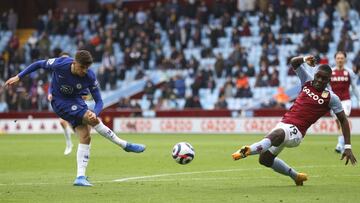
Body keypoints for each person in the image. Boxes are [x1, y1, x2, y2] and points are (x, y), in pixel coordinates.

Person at [4, 50, 146, 187]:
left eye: (87, 67)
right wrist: (19, 76)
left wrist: (95, 112)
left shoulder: (89, 76)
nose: (84, 70)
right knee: (92, 121)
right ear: (74, 62)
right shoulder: (60, 64)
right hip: (59, 102)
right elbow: (38, 64)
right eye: (82, 67)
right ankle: (124, 145)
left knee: (86, 136)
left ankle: (80, 177)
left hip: (76, 101)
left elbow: (99, 101)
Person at [231, 55, 357, 186]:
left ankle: (247, 150)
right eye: (318, 76)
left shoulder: (331, 98)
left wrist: (347, 146)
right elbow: (293, 62)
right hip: (284, 123)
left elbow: (343, 120)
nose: (319, 80)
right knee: (265, 159)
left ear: (328, 80)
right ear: (315, 74)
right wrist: (305, 59)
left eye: (323, 78)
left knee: (278, 134)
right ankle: (296, 176)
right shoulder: (307, 81)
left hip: (296, 132)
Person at [330, 51, 360, 153]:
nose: (340, 60)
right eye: (338, 58)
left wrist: (359, 99)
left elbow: (355, 87)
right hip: (334, 101)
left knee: (343, 119)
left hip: (346, 100)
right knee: (338, 124)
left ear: (345, 59)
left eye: (342, 58)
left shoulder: (349, 72)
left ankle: (339, 144)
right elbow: (328, 88)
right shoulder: (331, 72)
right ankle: (342, 145)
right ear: (335, 59)